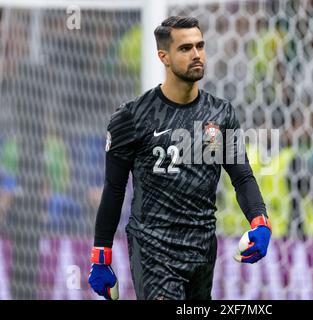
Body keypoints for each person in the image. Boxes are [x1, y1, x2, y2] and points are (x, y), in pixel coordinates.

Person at [88, 16, 271, 300]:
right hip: (153, 250)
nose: (196, 54)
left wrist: (260, 222)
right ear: (164, 57)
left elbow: (242, 177)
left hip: (202, 249)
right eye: (185, 48)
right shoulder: (131, 118)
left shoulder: (221, 115)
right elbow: (114, 189)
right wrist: (101, 253)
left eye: (200, 46)